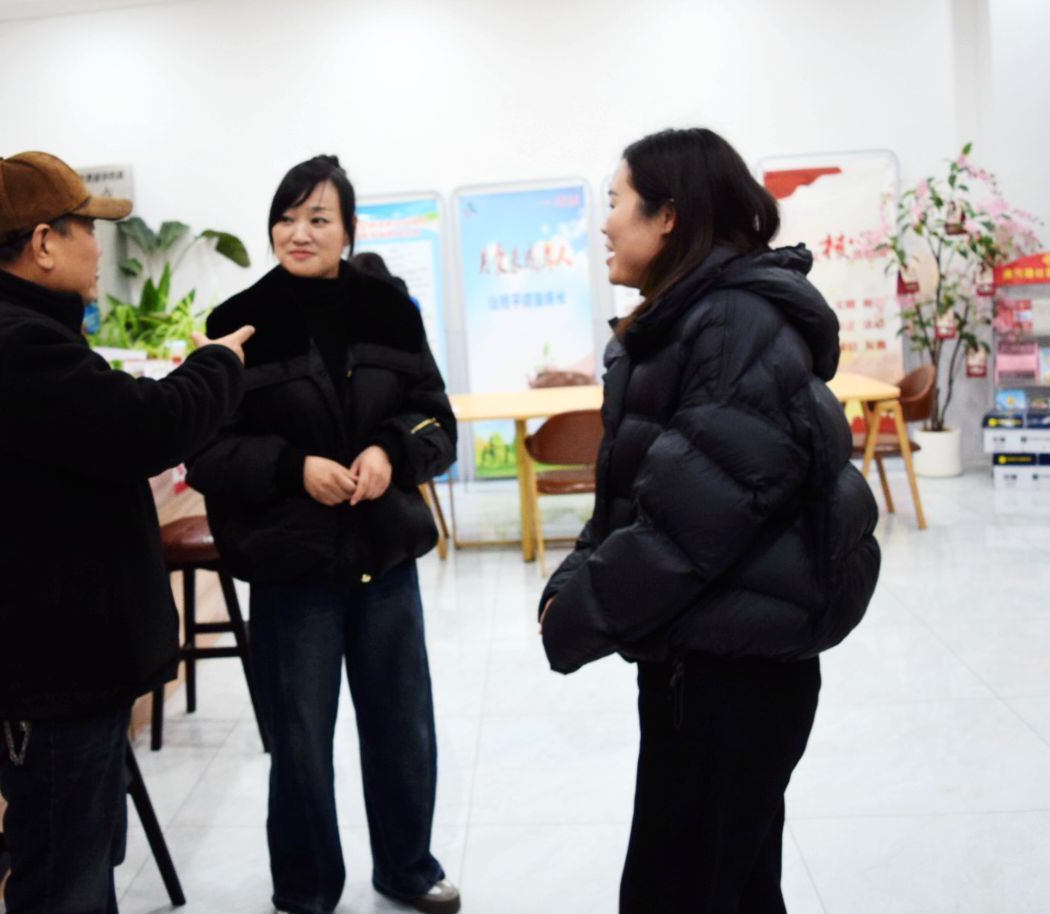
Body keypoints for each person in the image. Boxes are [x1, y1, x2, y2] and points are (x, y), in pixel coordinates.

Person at [538, 128, 880, 913]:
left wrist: (580, 609)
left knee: (685, 889)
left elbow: (697, 516)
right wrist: (574, 577)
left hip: (734, 674)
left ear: (668, 216)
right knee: (730, 884)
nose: (604, 223)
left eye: (617, 202)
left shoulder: (728, 325)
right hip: (705, 654)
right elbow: (636, 495)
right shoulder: (685, 322)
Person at [0, 150, 253, 914]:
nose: (98, 249)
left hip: (63, 671)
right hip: (47, 680)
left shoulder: (6, 329)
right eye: (87, 231)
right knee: (64, 887)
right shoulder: (8, 342)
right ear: (43, 242)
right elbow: (146, 427)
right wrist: (215, 365)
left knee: (83, 866)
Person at [186, 155, 461, 914]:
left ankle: (408, 868)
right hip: (292, 563)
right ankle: (306, 887)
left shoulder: (390, 311)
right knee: (301, 736)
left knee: (402, 725)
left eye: (317, 218)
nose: (298, 232)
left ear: (349, 230)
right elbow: (207, 452)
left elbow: (437, 419)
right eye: (286, 217)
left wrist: (390, 451)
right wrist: (292, 468)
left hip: (383, 553)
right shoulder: (239, 321)